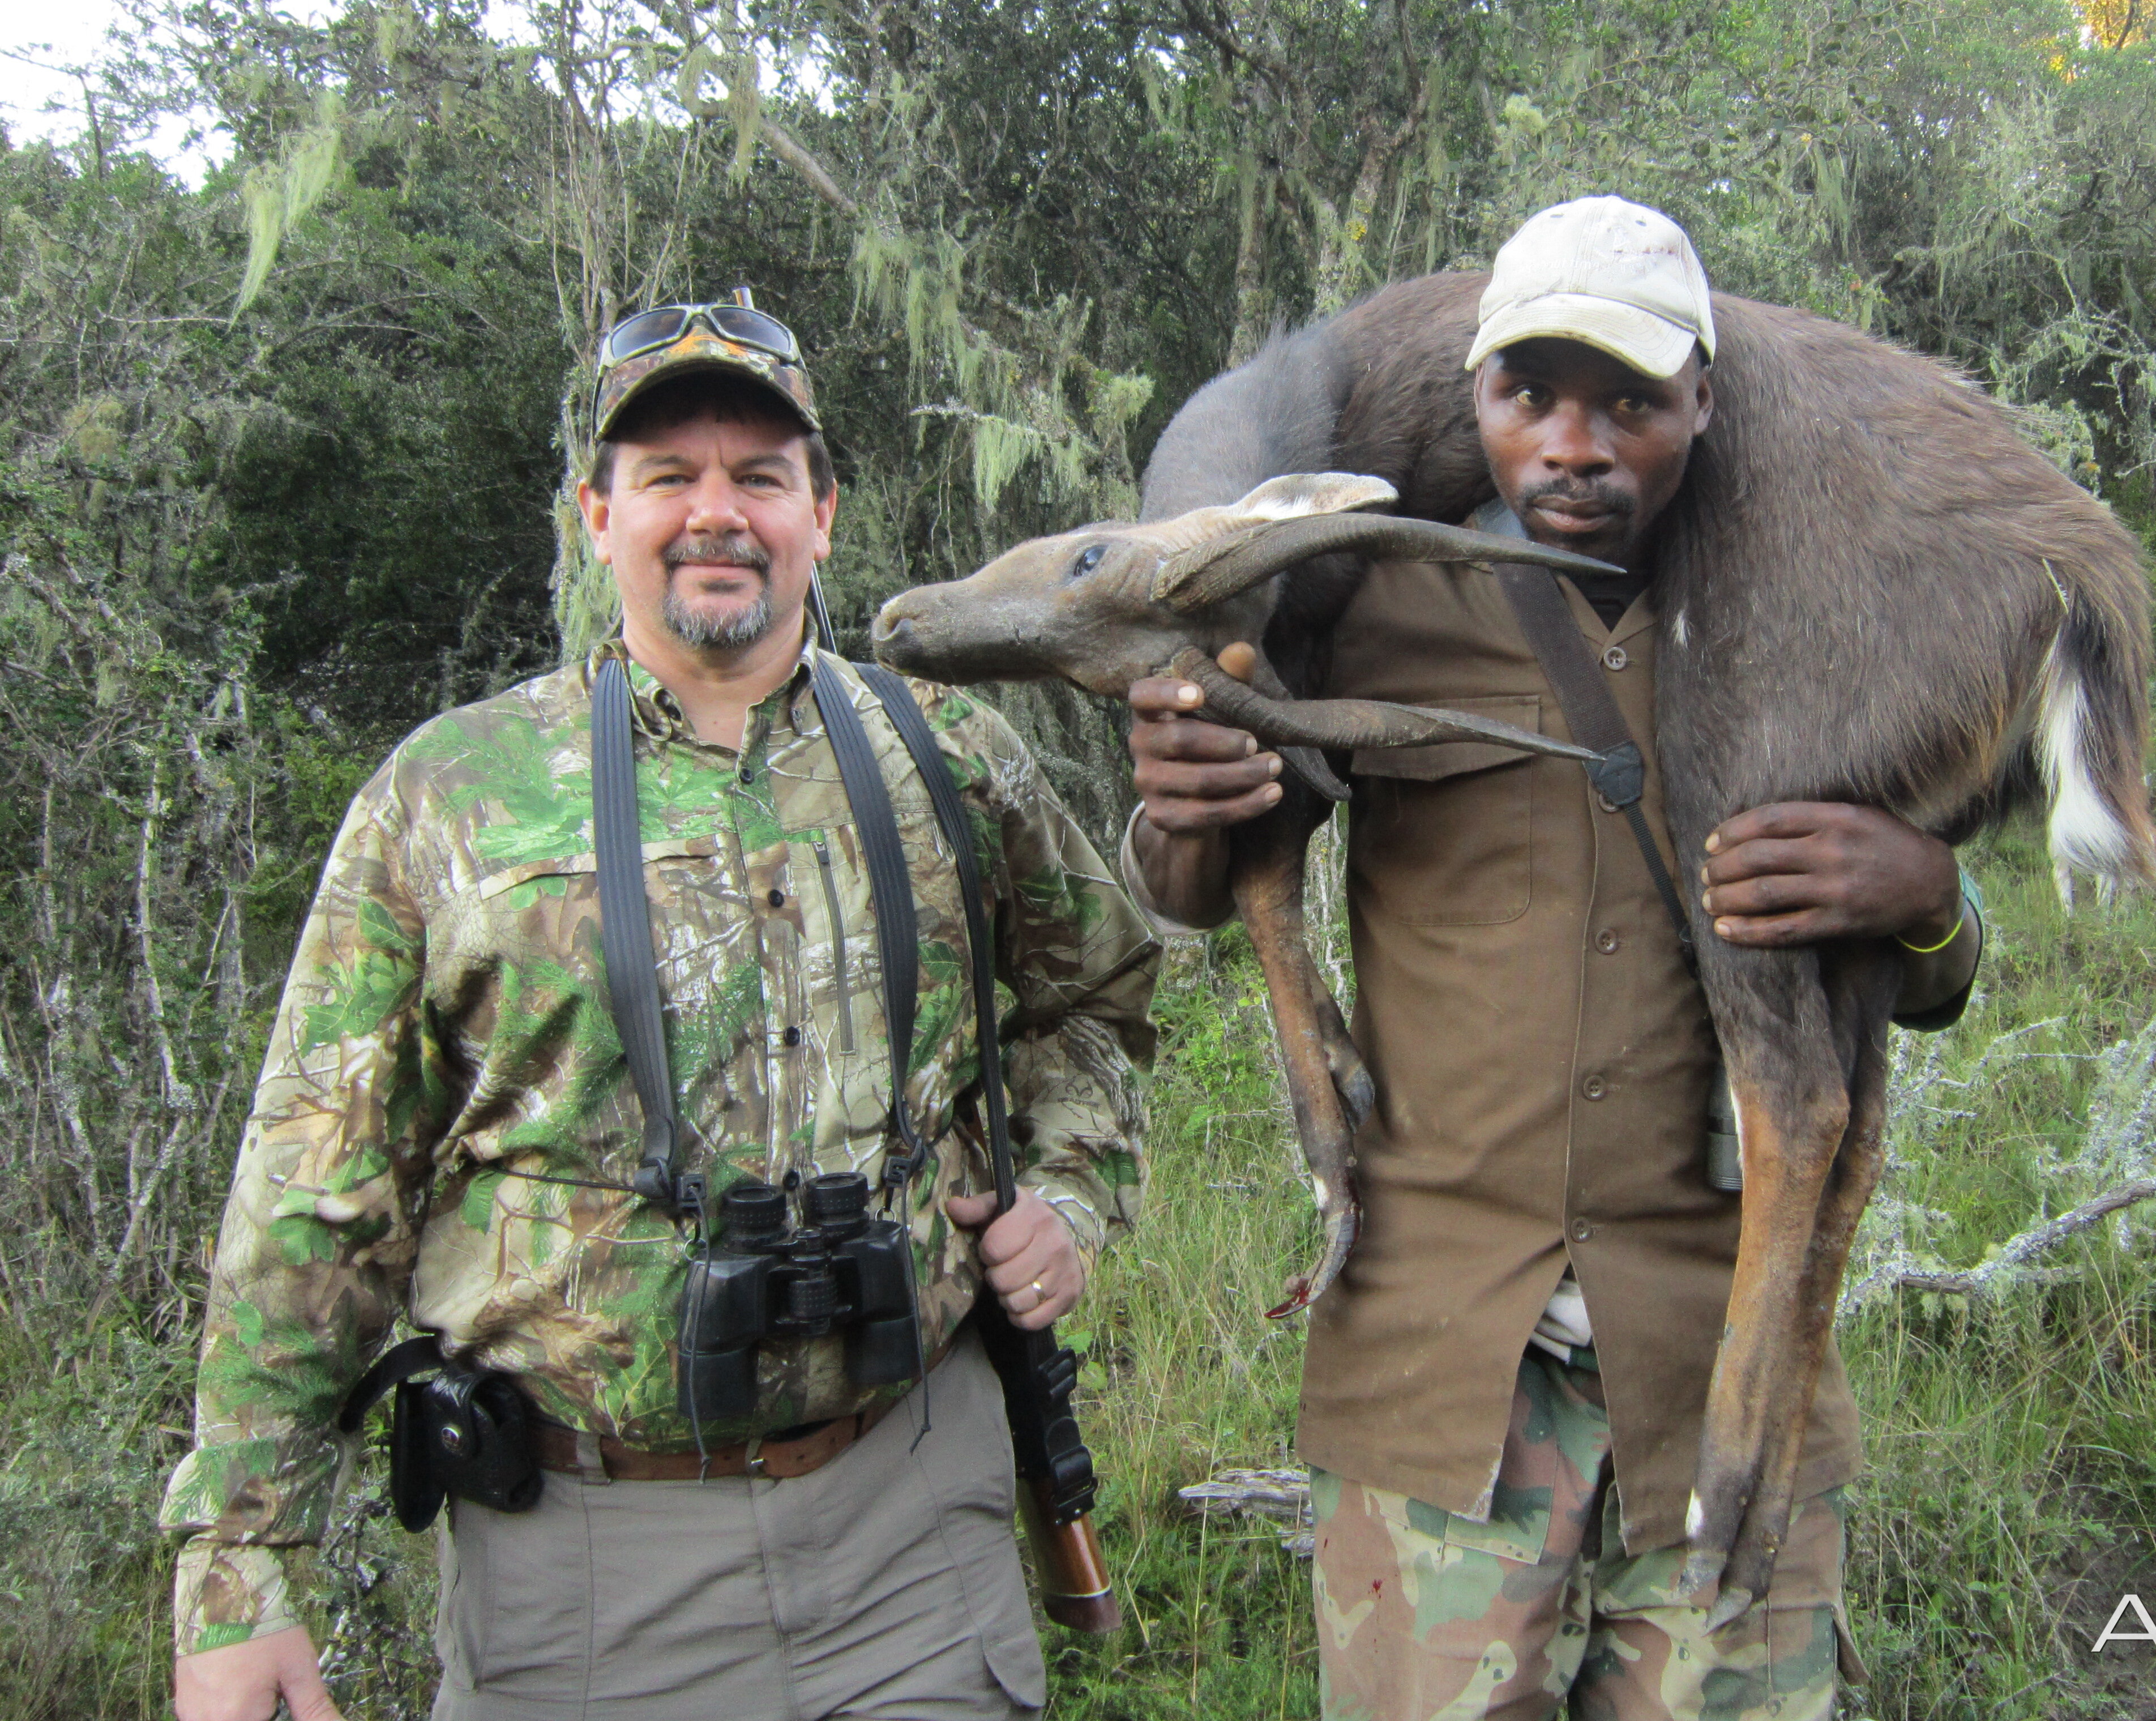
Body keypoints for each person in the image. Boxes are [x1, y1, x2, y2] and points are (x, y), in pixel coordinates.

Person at [162, 297, 1158, 1721]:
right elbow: (314, 1192)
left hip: (913, 1530)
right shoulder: (452, 796)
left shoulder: (952, 754)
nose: (716, 515)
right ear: (596, 514)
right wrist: (235, 1568)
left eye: (758, 475)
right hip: (582, 1576)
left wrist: (1067, 1189)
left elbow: (1102, 1002)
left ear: (821, 511)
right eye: (666, 477)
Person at [1122, 197, 1985, 1720]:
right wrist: (1177, 805)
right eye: (1532, 397)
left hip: (1718, 1371)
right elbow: (1205, 874)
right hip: (1441, 1367)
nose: (1575, 447)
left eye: (1631, 403)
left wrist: (1927, 893)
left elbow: (1926, 986)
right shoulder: (1374, 591)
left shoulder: (1811, 628)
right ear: (1474, 397)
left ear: (1704, 408)